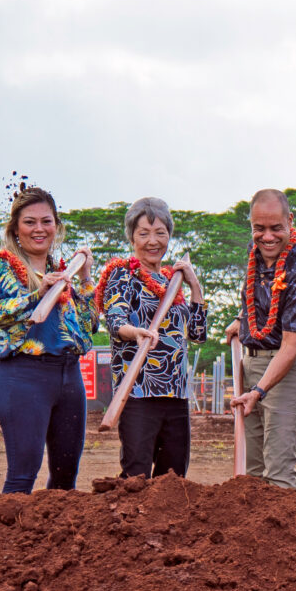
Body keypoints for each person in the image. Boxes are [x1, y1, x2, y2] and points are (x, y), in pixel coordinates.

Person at [0, 186, 95, 493]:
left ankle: (54, 542)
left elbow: (87, 331)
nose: (39, 229)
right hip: (24, 376)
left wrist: (85, 278)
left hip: (68, 376)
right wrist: (39, 293)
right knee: (23, 475)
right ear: (15, 229)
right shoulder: (5, 266)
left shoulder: (61, 272)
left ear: (56, 226)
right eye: (29, 222)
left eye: (46, 221)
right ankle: (9, 541)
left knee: (64, 478)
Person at [97, 197, 208, 479]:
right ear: (132, 237)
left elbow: (197, 333)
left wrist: (194, 285)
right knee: (136, 472)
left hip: (176, 393)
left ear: (169, 235)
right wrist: (136, 333)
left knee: (173, 476)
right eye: (144, 233)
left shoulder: (174, 282)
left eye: (160, 233)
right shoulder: (123, 274)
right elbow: (115, 321)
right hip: (138, 392)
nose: (152, 241)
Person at [225, 189, 296, 488]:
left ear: (290, 221)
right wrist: (242, 319)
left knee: (277, 472)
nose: (267, 236)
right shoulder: (255, 258)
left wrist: (259, 391)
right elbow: (258, 303)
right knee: (251, 472)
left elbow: (291, 345)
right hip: (250, 363)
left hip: (285, 369)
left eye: (276, 228)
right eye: (259, 228)